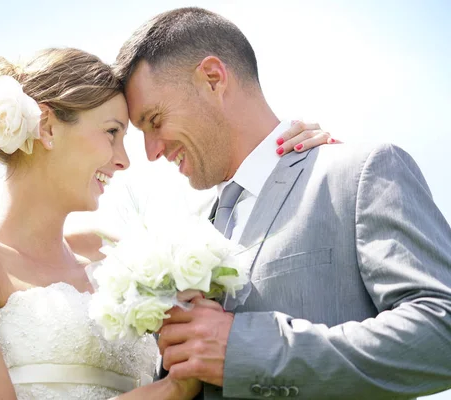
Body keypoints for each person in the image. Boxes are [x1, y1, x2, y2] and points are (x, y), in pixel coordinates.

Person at [0, 47, 330, 400]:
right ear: (48, 128)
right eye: (111, 133)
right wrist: (170, 391)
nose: (124, 160)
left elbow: (240, 245)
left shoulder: (117, 248)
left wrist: (292, 160)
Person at [114, 7, 451, 400]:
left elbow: (442, 330)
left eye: (154, 120)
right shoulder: (182, 230)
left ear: (212, 78)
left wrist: (247, 351)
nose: (150, 152)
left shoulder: (357, 173)